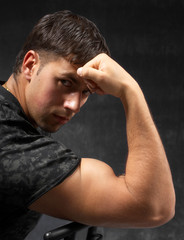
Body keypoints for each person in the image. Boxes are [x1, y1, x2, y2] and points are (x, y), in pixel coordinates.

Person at [0, 10, 175, 240]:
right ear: (30, 65)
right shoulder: (10, 141)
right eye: (65, 82)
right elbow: (153, 206)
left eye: (86, 91)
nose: (74, 104)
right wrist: (131, 91)